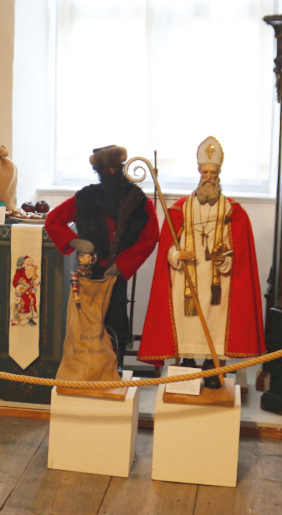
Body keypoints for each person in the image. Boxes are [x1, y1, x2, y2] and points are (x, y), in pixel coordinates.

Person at [137, 136, 265, 381]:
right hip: (185, 277)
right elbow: (168, 247)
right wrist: (177, 255)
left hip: (218, 282)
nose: (209, 177)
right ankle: (187, 363)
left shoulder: (232, 210)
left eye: (213, 173)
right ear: (198, 171)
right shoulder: (180, 208)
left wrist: (224, 260)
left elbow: (237, 249)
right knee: (187, 321)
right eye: (205, 172)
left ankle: (211, 366)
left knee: (214, 322)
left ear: (219, 173)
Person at [45, 145, 159, 354]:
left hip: (116, 272)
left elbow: (150, 237)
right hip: (89, 270)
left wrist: (122, 265)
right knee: (87, 320)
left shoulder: (138, 200)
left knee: (116, 319)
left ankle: (115, 362)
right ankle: (87, 362)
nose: (112, 172)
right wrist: (75, 242)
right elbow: (53, 220)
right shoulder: (86, 196)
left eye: (115, 167)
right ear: (98, 172)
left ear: (121, 166)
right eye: (106, 169)